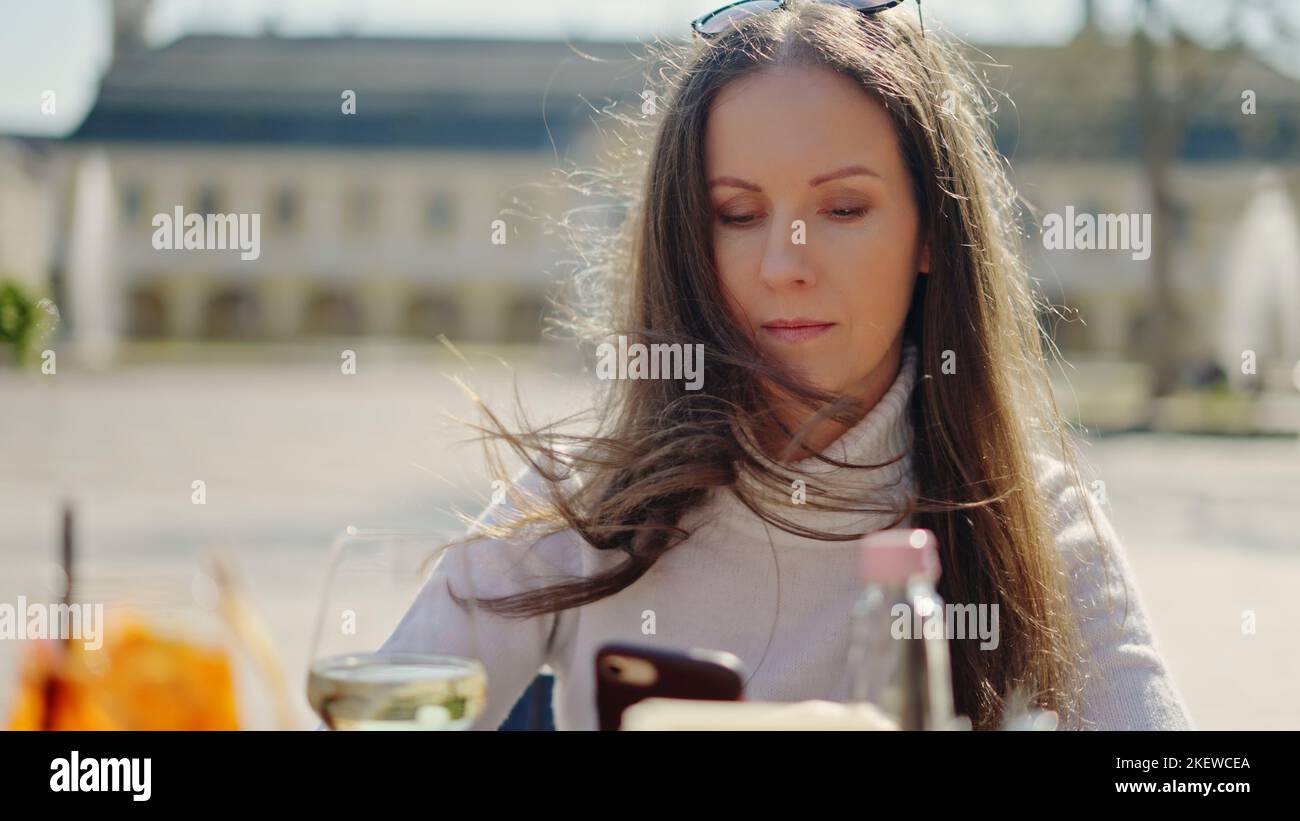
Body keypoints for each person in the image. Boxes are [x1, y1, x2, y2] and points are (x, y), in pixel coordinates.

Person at [380, 0, 1194, 731]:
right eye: (737, 213)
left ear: (931, 232)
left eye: (842, 208)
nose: (785, 263)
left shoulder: (1040, 519)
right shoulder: (575, 502)